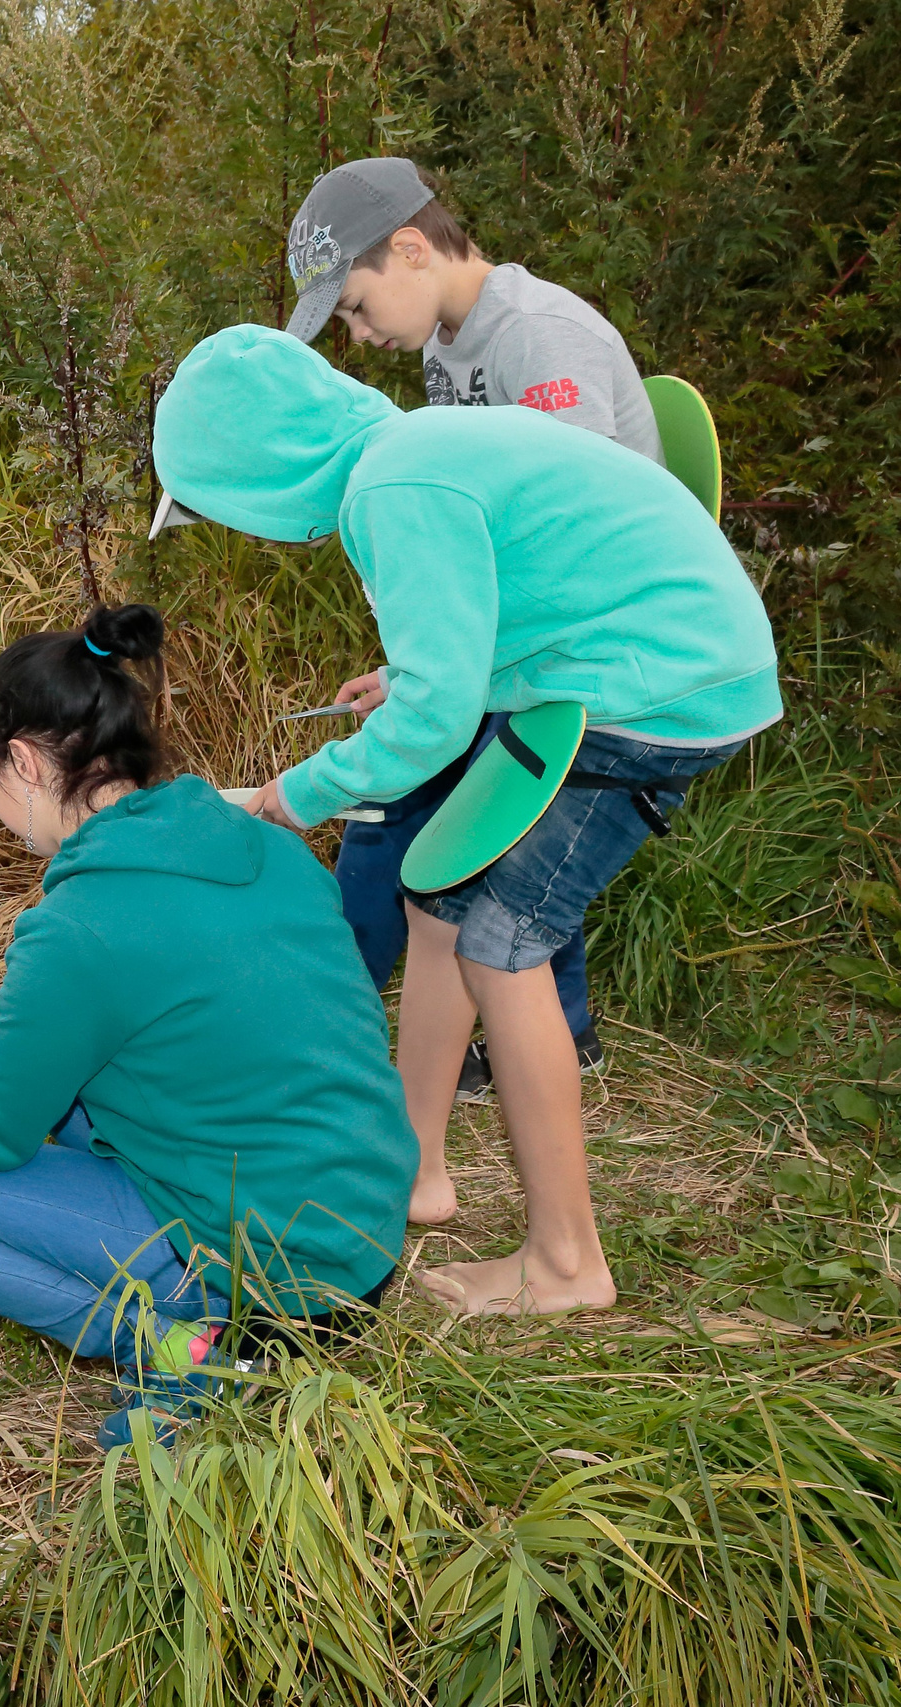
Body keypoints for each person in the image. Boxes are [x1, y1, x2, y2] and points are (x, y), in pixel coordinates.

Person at [153, 323, 780, 1315]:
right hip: (626, 664)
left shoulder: (392, 491)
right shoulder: (411, 452)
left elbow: (440, 723)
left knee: (503, 946)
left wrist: (294, 795)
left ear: (257, 474)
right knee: (433, 902)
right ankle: (417, 1172)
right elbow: (516, 601)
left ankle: (566, 1265)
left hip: (659, 692)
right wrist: (403, 680)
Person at [0, 607, 415, 1449]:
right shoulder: (268, 847)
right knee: (69, 1102)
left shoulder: (83, 926)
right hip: (360, 1233)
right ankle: (208, 1324)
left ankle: (197, 1349)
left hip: (281, 1285)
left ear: (27, 764)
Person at [284, 155, 671, 1098]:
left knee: (459, 793)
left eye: (358, 307)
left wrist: (446, 676)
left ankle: (515, 1030)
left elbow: (559, 530)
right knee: (469, 787)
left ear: (411, 250)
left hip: (602, 645)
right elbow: (466, 542)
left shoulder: (538, 336)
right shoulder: (447, 348)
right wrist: (410, 666)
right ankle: (533, 1029)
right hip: (531, 639)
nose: (358, 334)